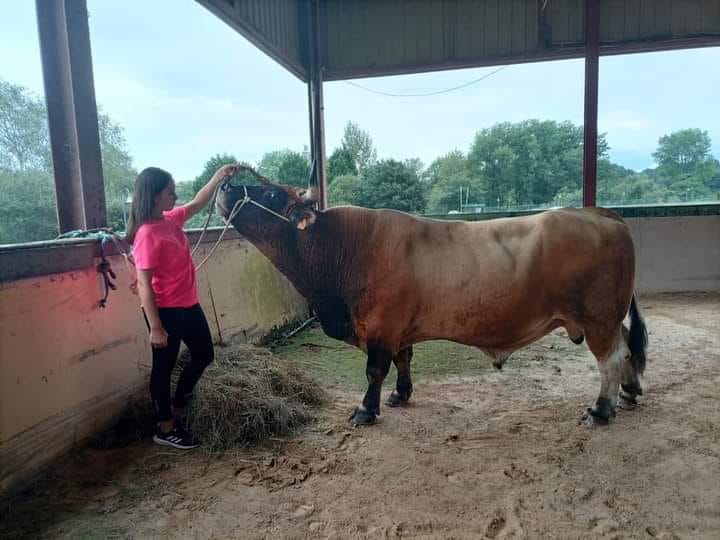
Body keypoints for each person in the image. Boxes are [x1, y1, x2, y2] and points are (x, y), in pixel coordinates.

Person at [126, 164, 239, 449]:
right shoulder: (147, 235)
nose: (175, 197)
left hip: (187, 304)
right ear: (153, 196)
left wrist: (218, 176)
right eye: (169, 193)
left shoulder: (170, 220)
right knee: (163, 368)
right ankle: (165, 428)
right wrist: (155, 327)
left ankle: (178, 405)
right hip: (164, 311)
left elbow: (199, 201)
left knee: (204, 353)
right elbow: (143, 285)